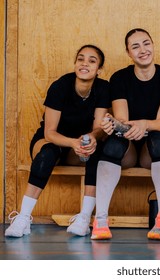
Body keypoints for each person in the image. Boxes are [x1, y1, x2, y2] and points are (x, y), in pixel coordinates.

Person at [5, 45, 111, 237]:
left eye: (92, 60)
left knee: (97, 152)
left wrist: (91, 139)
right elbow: (50, 132)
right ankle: (23, 217)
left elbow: (98, 129)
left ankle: (84, 217)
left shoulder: (103, 88)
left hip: (79, 147)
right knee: (47, 153)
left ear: (99, 69)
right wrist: (72, 143)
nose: (85, 63)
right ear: (75, 63)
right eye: (80, 59)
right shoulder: (61, 86)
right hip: (56, 141)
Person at [91, 28, 160, 240]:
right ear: (128, 53)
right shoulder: (120, 78)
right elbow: (122, 121)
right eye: (135, 46)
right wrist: (112, 123)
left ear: (153, 45)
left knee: (159, 140)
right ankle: (101, 220)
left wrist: (144, 124)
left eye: (146, 43)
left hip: (154, 147)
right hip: (129, 146)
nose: (142, 50)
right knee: (113, 143)